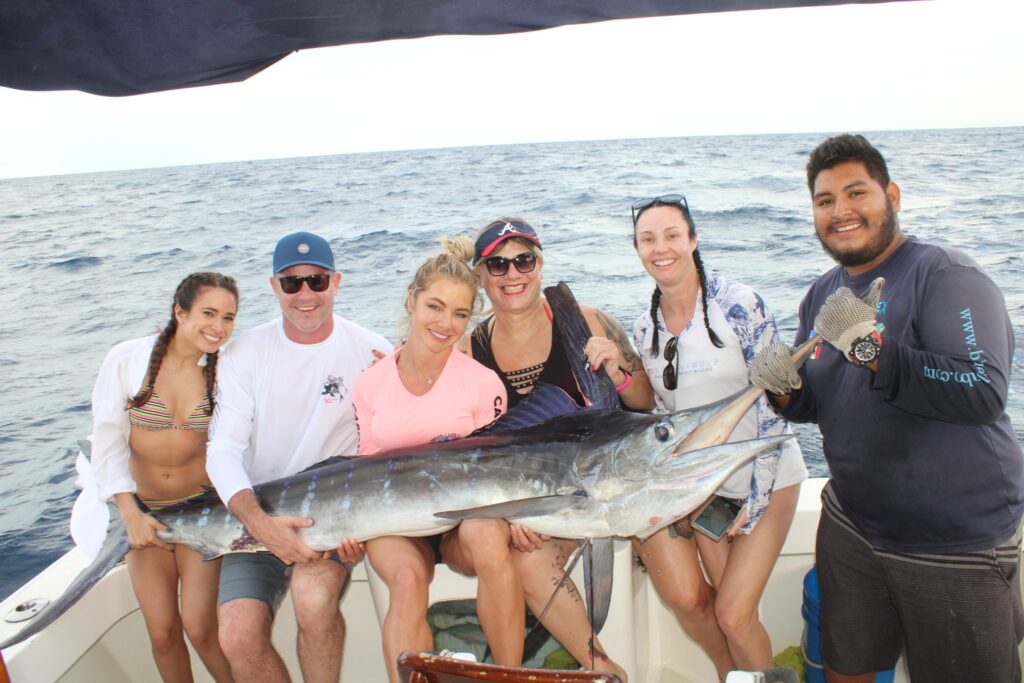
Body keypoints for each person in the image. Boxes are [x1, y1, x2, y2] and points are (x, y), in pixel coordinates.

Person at [748, 134, 1024, 682]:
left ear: (891, 195)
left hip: (952, 537)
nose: (841, 211)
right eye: (825, 201)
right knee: (846, 666)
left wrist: (872, 349)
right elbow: (817, 401)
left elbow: (982, 390)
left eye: (856, 194)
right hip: (853, 524)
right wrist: (782, 390)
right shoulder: (823, 293)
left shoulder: (947, 275)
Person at [466, 217, 652, 682]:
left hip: (612, 484)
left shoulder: (586, 320)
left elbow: (645, 402)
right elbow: (470, 448)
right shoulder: (472, 348)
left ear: (540, 264)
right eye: (498, 264)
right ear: (481, 276)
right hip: (542, 500)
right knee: (525, 559)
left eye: (523, 260)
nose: (513, 275)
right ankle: (602, 669)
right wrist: (513, 515)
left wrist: (618, 371)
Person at [629, 195, 807, 679]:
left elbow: (777, 403)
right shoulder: (645, 328)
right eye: (648, 239)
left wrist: (756, 496)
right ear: (637, 248)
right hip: (708, 490)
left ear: (692, 240)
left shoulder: (739, 304)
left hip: (768, 478)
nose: (660, 248)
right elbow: (665, 417)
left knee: (733, 614)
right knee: (729, 620)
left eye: (671, 235)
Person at [206, 231, 390, 683]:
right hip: (257, 516)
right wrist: (259, 523)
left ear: (336, 282)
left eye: (317, 281)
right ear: (274, 287)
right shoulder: (243, 352)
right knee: (236, 634)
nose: (305, 294)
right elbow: (223, 451)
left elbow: (387, 448)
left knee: (312, 599)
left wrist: (365, 525)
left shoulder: (374, 351)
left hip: (333, 519)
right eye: (292, 283)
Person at [351, 235, 518, 682]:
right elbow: (366, 469)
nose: (446, 323)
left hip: (458, 525)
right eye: (435, 307)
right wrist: (348, 529)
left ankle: (509, 675)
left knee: (487, 533)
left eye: (460, 313)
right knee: (406, 580)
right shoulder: (369, 384)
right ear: (411, 301)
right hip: (396, 526)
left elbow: (501, 468)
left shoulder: (483, 385)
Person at [85, 271, 239, 683]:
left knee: (202, 629)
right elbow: (106, 441)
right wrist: (129, 513)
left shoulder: (226, 370)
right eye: (208, 313)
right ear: (180, 311)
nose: (218, 327)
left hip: (201, 512)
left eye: (228, 318)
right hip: (145, 515)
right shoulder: (126, 360)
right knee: (163, 634)